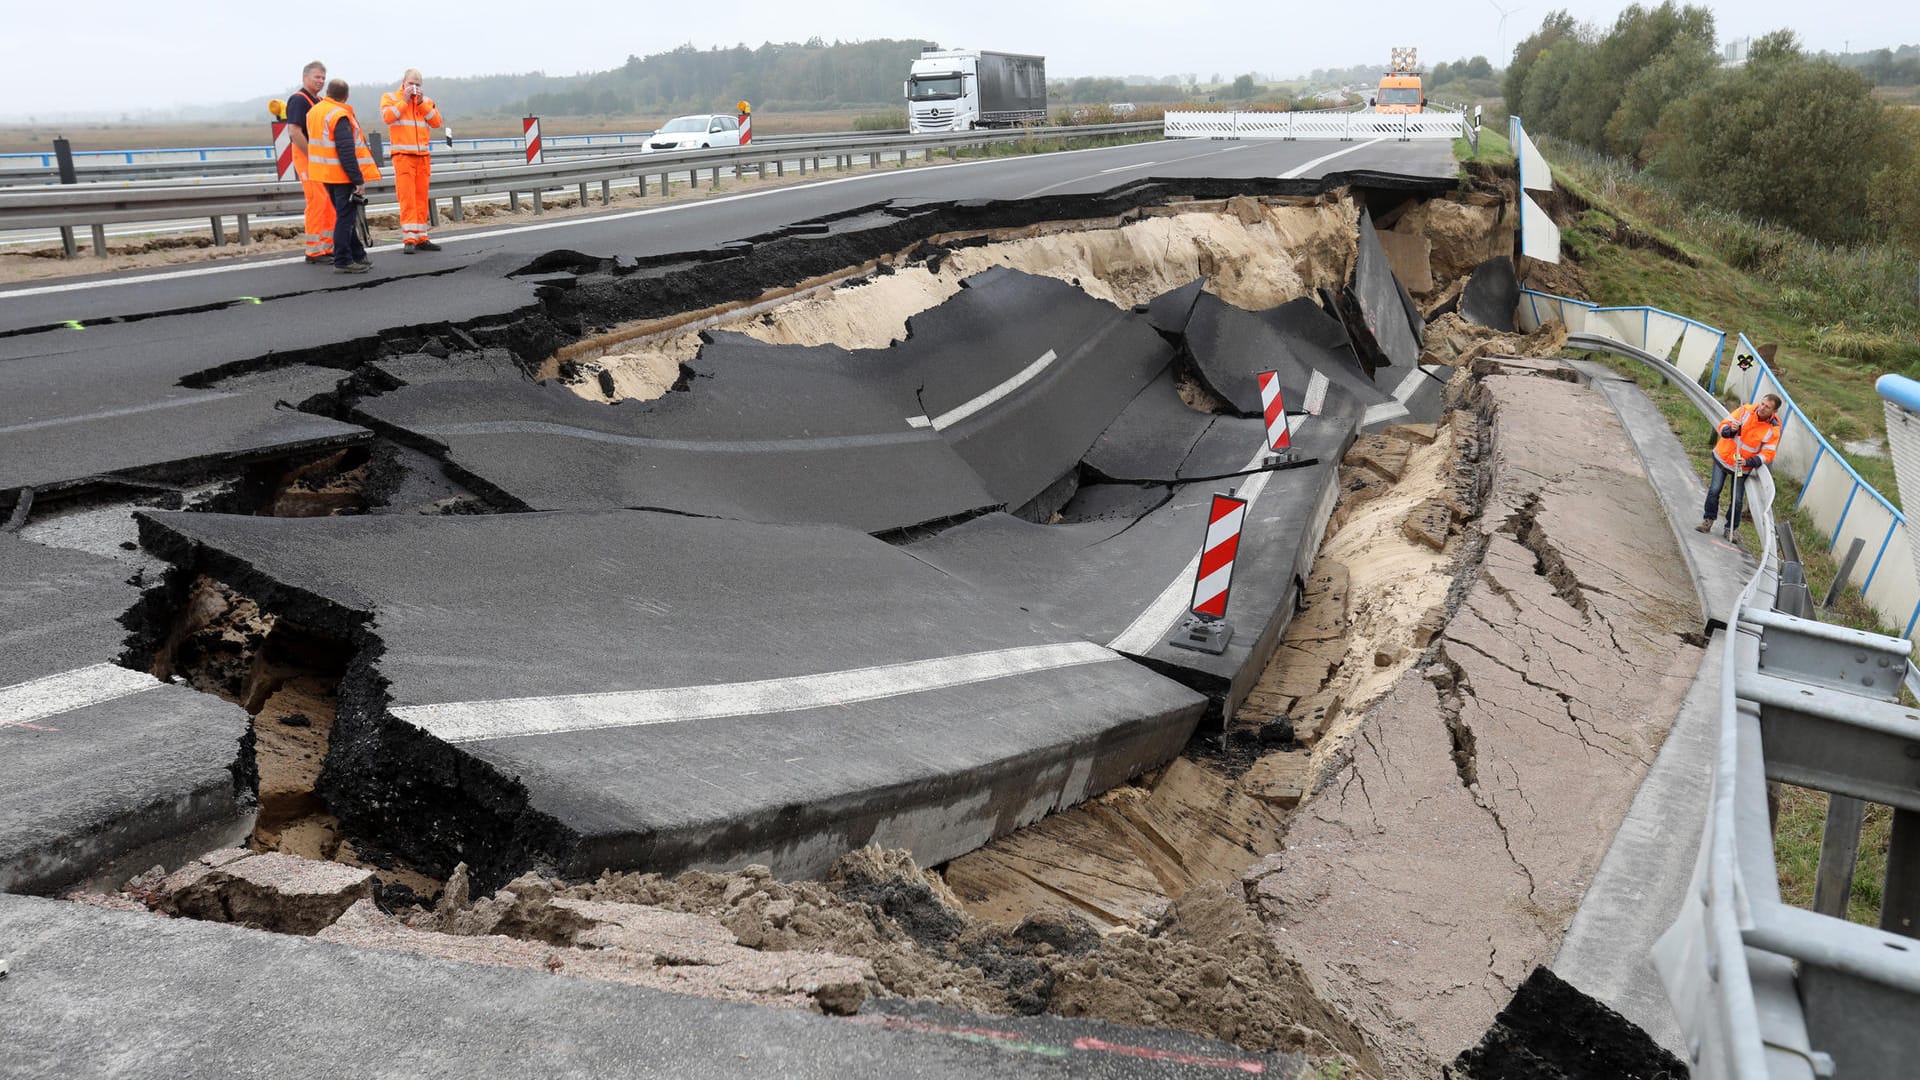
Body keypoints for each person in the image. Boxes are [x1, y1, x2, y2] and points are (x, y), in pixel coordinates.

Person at [305, 80, 382, 273]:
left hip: (323, 173)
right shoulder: (339, 115)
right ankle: (343, 260)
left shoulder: (315, 111)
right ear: (346, 96)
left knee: (345, 216)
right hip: (340, 175)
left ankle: (358, 254)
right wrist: (357, 180)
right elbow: (346, 150)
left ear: (328, 92)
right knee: (345, 219)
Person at [380, 69, 446, 253]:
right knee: (407, 198)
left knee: (421, 198)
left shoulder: (426, 101)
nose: (414, 87)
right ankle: (409, 238)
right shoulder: (391, 97)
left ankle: (422, 237)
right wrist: (405, 101)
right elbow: (388, 117)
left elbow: (436, 122)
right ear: (404, 82)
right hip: (403, 155)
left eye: (417, 84)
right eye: (411, 84)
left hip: (422, 156)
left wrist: (422, 104)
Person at [1699, 393, 1783, 533]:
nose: (1762, 408)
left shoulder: (1773, 429)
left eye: (1767, 407)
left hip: (1741, 466)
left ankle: (1730, 528)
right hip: (1723, 458)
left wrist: (1748, 461)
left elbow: (1768, 454)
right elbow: (1722, 427)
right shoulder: (1745, 411)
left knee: (1737, 499)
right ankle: (1708, 519)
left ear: (1774, 412)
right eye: (1762, 403)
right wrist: (1731, 430)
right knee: (1714, 490)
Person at [283, 61, 335, 265]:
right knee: (317, 201)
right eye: (317, 77)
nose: (321, 81)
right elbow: (294, 131)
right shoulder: (299, 100)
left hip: (319, 158)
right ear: (305, 77)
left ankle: (326, 246)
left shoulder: (319, 101)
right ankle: (313, 251)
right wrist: (312, 155)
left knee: (328, 202)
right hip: (307, 156)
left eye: (323, 78)